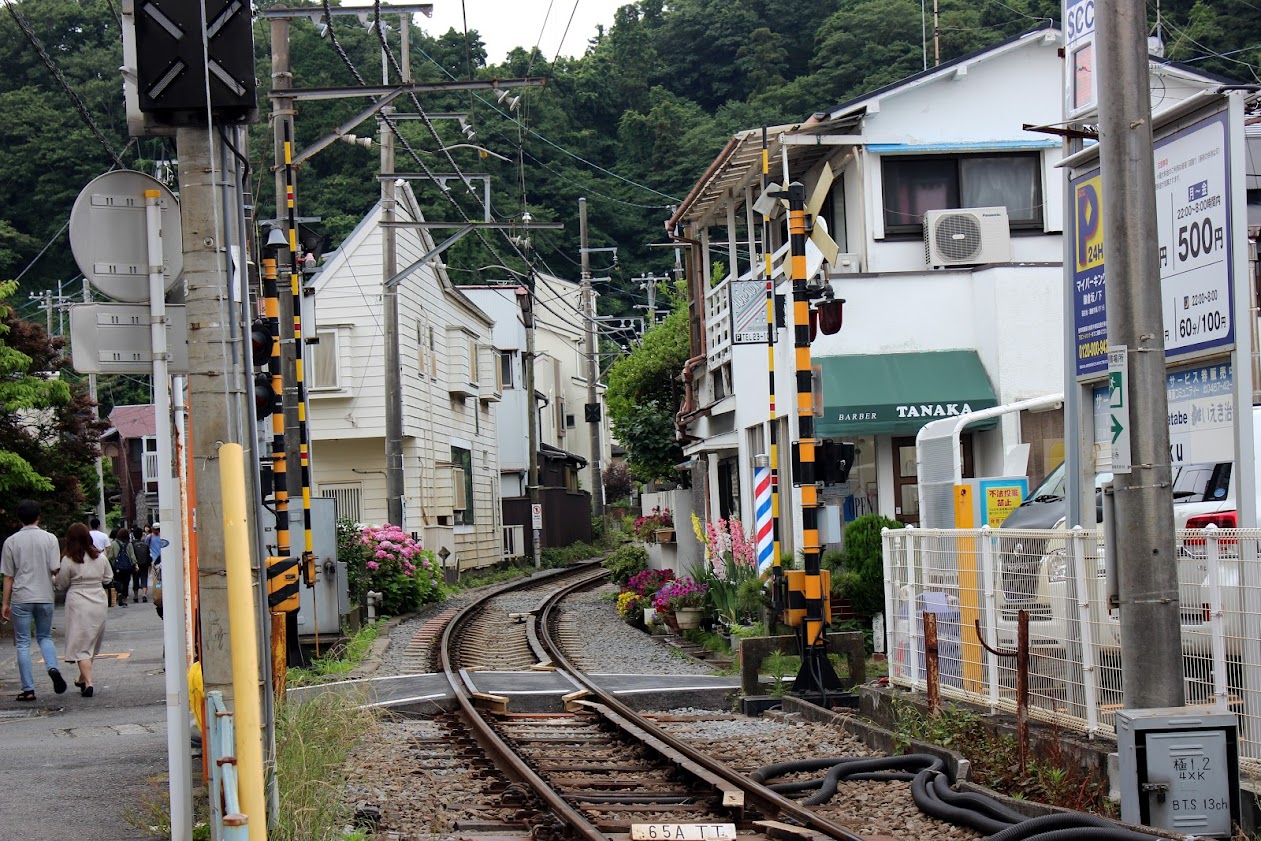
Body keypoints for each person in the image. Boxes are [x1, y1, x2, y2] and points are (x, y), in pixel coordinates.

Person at [1, 499, 68, 701]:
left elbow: (8, 576)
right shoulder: (50, 539)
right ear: (39, 516)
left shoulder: (11, 542)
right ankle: (53, 668)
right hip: (45, 595)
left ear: (19, 518)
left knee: (22, 643)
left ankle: (28, 689)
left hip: (21, 596)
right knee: (45, 637)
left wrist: (5, 603)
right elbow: (55, 568)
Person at [55, 523, 112, 698]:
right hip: (98, 599)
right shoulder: (100, 557)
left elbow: (61, 584)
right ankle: (82, 678)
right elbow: (108, 577)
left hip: (78, 600)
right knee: (92, 640)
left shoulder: (68, 559)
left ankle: (89, 682)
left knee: (81, 642)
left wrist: (53, 578)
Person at [111, 528, 135, 607]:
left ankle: (119, 593)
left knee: (118, 581)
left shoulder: (114, 543)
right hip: (127, 567)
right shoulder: (129, 544)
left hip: (117, 568)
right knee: (126, 582)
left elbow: (111, 556)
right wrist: (135, 564)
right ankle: (124, 599)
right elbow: (132, 556)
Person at [132, 525, 153, 604]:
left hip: (135, 565)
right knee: (144, 578)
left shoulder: (132, 544)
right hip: (144, 564)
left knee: (135, 579)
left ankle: (136, 595)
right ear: (141, 535)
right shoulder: (146, 545)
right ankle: (144, 594)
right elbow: (148, 555)